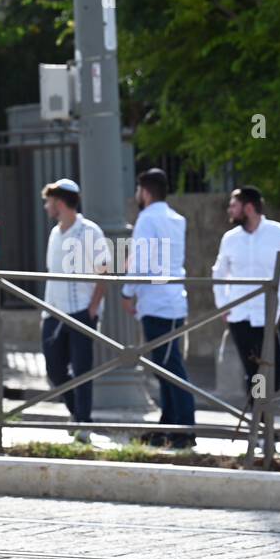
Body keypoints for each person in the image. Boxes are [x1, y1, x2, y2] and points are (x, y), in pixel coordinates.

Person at [211, 186, 280, 397]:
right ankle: (262, 422)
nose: (229, 210)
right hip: (241, 318)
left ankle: (262, 418)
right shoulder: (229, 238)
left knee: (275, 371)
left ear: (248, 208)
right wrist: (223, 305)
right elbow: (219, 273)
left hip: (273, 317)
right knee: (254, 374)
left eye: (233, 206)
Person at [122, 168, 196, 449]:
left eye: (138, 190)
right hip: (174, 299)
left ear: (145, 191)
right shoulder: (177, 219)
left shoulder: (147, 219)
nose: (136, 196)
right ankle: (169, 424)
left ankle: (184, 428)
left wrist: (127, 292)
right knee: (165, 365)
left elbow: (140, 260)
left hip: (156, 302)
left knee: (170, 366)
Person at [40, 179, 109, 441]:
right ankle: (76, 412)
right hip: (53, 311)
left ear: (59, 203)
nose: (46, 206)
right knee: (54, 369)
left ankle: (83, 422)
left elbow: (105, 271)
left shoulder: (90, 231)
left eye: (49, 201)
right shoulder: (54, 234)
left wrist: (92, 308)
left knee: (83, 370)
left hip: (81, 310)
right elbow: (51, 273)